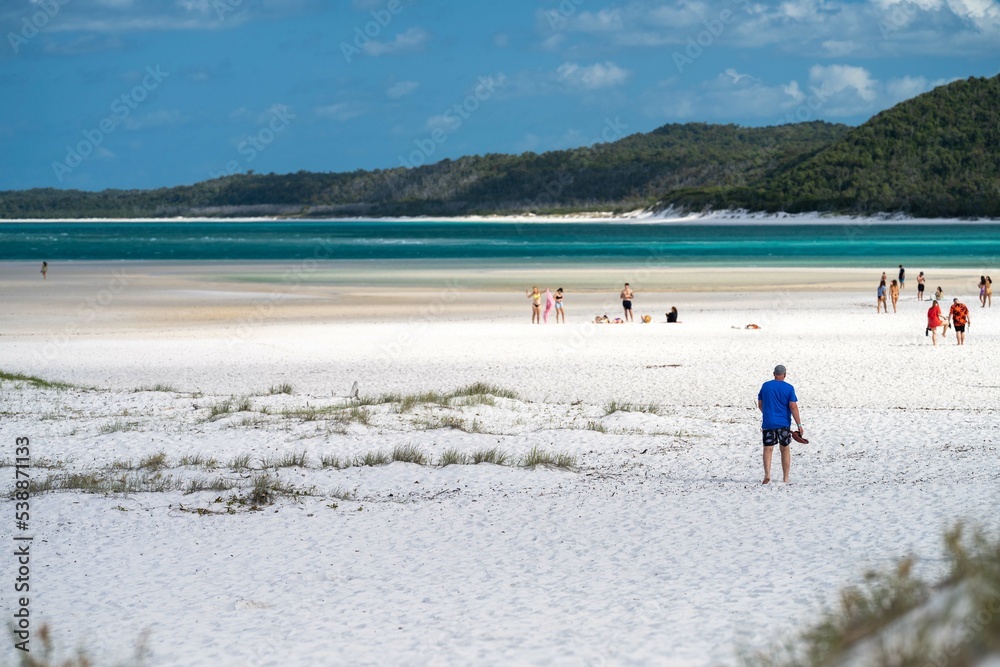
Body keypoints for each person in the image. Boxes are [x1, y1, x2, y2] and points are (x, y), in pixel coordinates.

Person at [757, 364, 802, 485]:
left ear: (774, 374)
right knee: (785, 449)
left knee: (768, 448)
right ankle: (786, 477)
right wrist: (799, 425)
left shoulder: (765, 386)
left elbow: (760, 404)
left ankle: (767, 475)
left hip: (768, 422)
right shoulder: (789, 388)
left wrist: (767, 414)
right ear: (785, 375)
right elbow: (793, 406)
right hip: (783, 423)